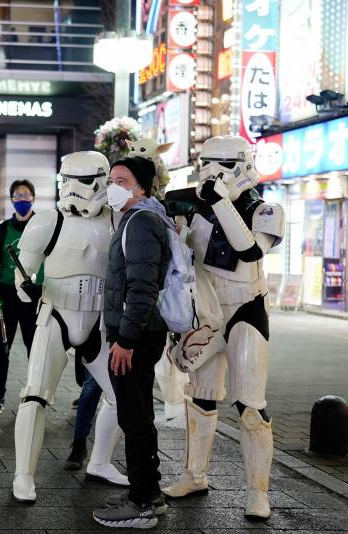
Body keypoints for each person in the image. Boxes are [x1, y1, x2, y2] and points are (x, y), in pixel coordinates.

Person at [161, 136, 284, 520]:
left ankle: (257, 491)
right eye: (207, 163)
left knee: (250, 405)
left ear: (245, 167)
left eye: (224, 165)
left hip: (247, 309)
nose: (213, 172)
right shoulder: (186, 203)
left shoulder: (267, 210)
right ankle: (194, 474)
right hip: (205, 310)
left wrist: (219, 201)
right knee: (199, 396)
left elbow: (249, 251)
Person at [7, 155, 127, 504]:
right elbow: (22, 273)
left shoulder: (120, 220)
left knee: (122, 397)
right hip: (55, 315)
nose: (74, 189)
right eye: (68, 180)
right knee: (34, 395)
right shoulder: (47, 221)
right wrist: (25, 287)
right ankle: (24, 474)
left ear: (101, 180)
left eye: (85, 180)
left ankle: (100, 461)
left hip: (99, 321)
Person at [93, 156, 173, 529]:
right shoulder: (141, 217)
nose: (113, 184)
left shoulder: (140, 221)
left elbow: (143, 286)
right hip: (140, 331)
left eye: (121, 180)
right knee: (137, 413)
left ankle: (142, 503)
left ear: (141, 187)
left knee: (135, 417)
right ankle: (147, 493)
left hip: (135, 335)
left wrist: (125, 339)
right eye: (111, 179)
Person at [0, 180, 43, 415]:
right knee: (1, 347)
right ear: (11, 200)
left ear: (34, 198)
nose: (22, 200)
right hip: (7, 297)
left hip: (32, 297)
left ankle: (36, 395)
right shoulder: (2, 230)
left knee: (35, 348)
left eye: (26, 195)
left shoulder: (43, 227)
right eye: (17, 196)